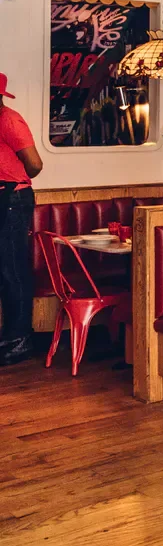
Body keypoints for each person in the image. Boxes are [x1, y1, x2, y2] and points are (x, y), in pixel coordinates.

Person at [0, 74, 42, 366]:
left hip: (14, 198)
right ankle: (11, 335)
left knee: (13, 269)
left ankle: (21, 340)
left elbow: (35, 165)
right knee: (4, 270)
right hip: (4, 196)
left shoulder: (9, 120)